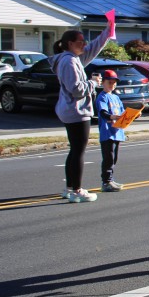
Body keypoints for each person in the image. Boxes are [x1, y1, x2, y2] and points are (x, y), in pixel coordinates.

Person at [50, 27, 111, 203]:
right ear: (70, 44)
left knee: (75, 150)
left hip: (71, 110)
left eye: (84, 41)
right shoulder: (69, 62)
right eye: (80, 42)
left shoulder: (72, 58)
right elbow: (76, 90)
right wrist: (93, 82)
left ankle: (69, 188)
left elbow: (93, 48)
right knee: (78, 151)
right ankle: (77, 190)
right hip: (76, 111)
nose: (84, 44)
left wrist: (108, 31)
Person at [95, 69, 127, 191]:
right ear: (103, 82)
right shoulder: (102, 97)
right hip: (107, 133)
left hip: (117, 132)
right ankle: (106, 182)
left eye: (114, 83)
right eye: (109, 82)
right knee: (108, 158)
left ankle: (111, 180)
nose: (112, 85)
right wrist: (113, 117)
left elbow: (123, 113)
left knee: (114, 159)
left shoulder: (116, 98)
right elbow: (103, 113)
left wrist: (134, 115)